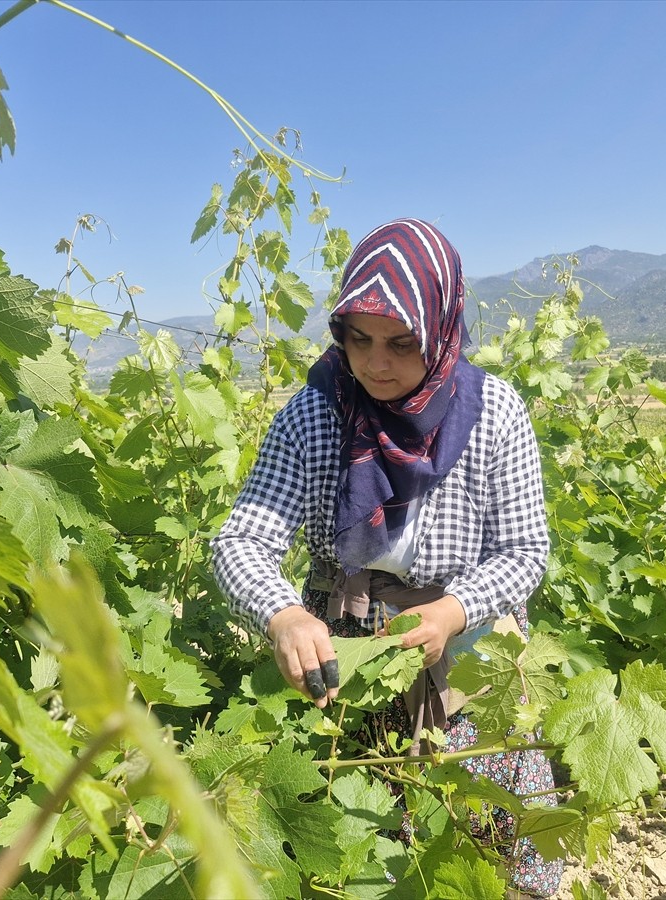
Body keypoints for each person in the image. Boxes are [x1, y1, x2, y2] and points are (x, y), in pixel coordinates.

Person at [212, 218, 563, 897]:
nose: (376, 363)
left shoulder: (494, 414)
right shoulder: (314, 417)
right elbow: (241, 541)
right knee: (362, 848)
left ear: (440, 331)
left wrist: (454, 610)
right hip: (347, 657)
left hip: (470, 651)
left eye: (402, 344)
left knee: (489, 839)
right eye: (357, 339)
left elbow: (525, 553)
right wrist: (282, 615)